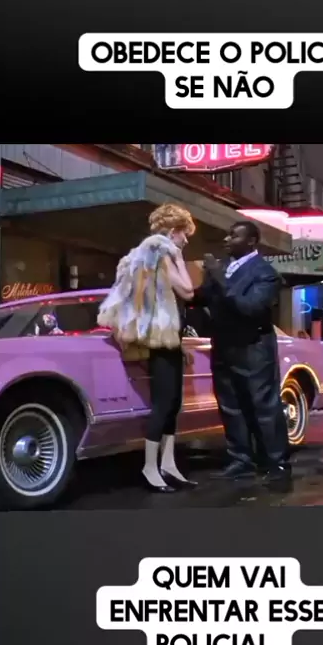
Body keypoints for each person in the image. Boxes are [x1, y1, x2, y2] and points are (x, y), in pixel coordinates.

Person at [98, 203, 196, 492]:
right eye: (184, 234)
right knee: (164, 404)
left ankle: (168, 464)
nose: (186, 240)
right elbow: (187, 290)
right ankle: (150, 467)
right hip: (159, 341)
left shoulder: (143, 254)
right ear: (174, 231)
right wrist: (180, 259)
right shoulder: (159, 253)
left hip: (164, 340)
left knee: (172, 404)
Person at [193, 220, 290, 481]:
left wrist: (219, 278)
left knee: (263, 406)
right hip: (224, 346)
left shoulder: (265, 272)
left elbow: (250, 307)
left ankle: (276, 462)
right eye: (227, 235)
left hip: (253, 348)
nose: (226, 239)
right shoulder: (222, 268)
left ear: (251, 241)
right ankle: (241, 459)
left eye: (233, 236)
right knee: (231, 405)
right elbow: (201, 298)